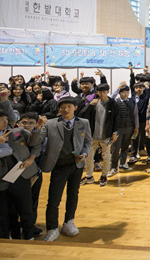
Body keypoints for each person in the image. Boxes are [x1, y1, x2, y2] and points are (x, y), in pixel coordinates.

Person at [35, 97, 92, 241]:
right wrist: (37, 128)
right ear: (59, 109)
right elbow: (37, 140)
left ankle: (69, 222)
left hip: (76, 164)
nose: (65, 109)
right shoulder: (50, 123)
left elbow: (88, 141)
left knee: (73, 195)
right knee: (54, 199)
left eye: (69, 106)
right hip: (58, 165)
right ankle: (52, 228)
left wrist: (84, 153)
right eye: (62, 107)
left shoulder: (83, 123)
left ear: (75, 108)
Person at [0, 110, 42, 240]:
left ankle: (29, 235)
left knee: (26, 208)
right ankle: (9, 236)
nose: (5, 122)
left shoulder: (16, 132)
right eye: (2, 120)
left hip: (20, 175)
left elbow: (35, 143)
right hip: (1, 180)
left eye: (6, 119)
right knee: (4, 212)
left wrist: (31, 158)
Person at [79, 83, 119, 187]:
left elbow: (116, 119)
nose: (101, 94)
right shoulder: (93, 103)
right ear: (96, 92)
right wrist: (90, 106)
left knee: (106, 157)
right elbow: (83, 115)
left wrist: (115, 133)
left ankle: (104, 175)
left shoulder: (112, 103)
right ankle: (89, 176)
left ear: (108, 91)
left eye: (104, 91)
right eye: (99, 91)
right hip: (92, 135)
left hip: (106, 135)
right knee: (89, 157)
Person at [109, 85, 139, 176]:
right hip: (118, 128)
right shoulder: (115, 101)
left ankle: (122, 163)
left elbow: (135, 115)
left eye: (127, 92)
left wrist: (136, 127)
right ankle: (113, 167)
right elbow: (110, 98)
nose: (125, 94)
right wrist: (117, 88)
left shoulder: (132, 102)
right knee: (115, 148)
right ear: (119, 93)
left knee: (125, 147)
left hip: (129, 127)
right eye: (123, 92)